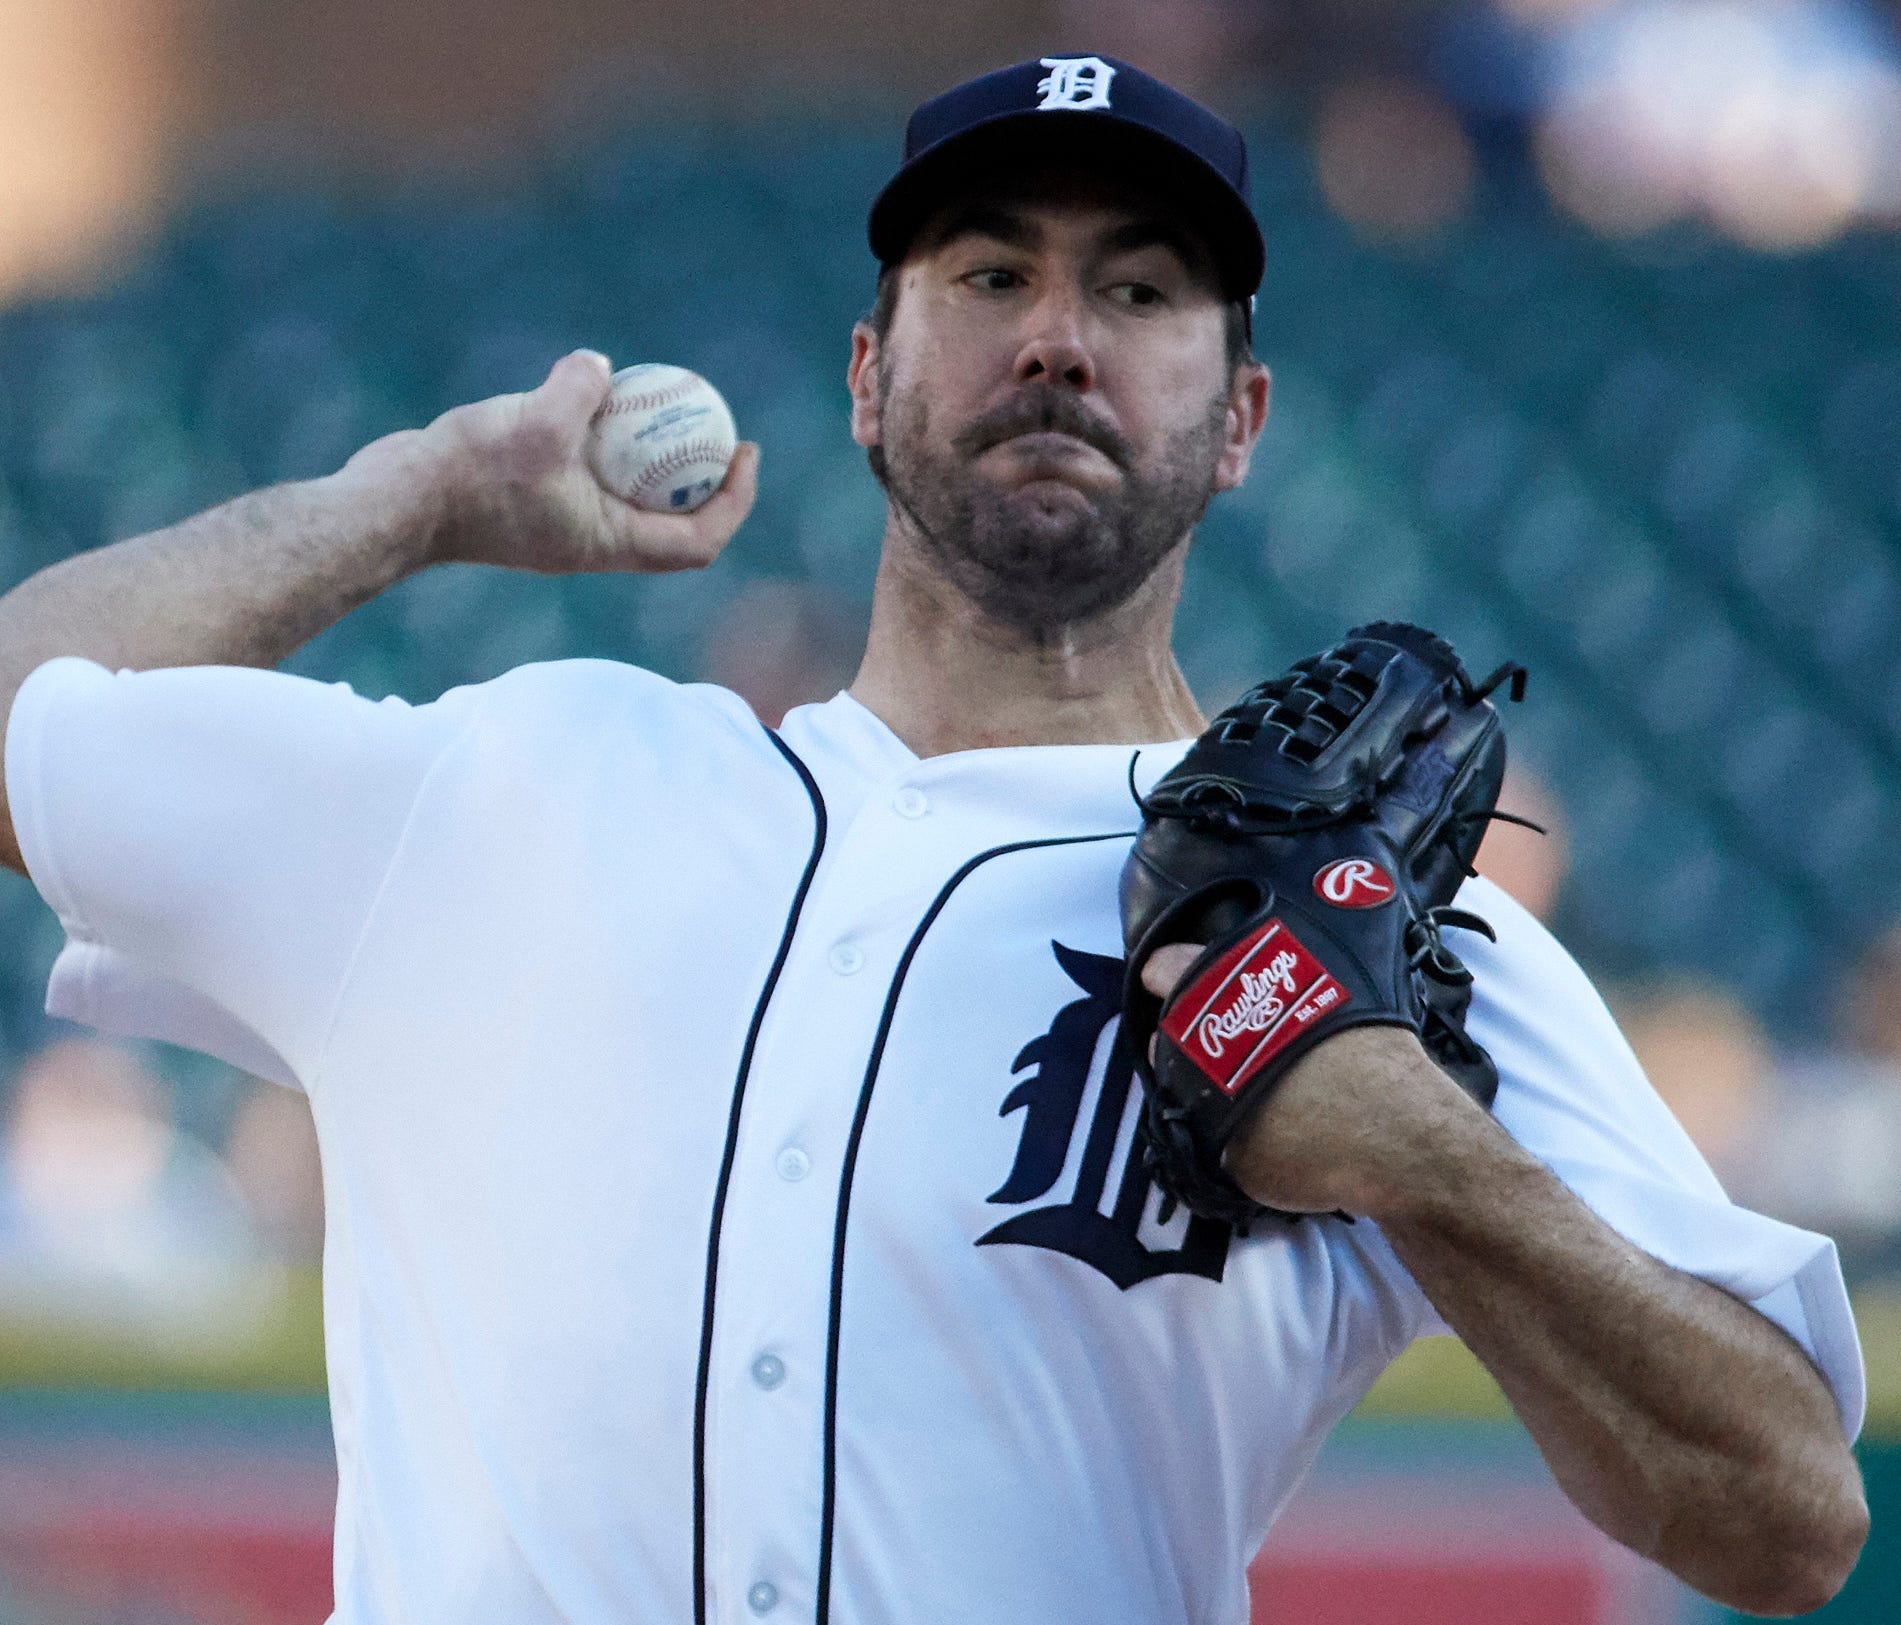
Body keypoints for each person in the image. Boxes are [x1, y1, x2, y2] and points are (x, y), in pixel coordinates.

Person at [0, 54, 1867, 1625]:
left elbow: (1786, 1514)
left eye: (1139, 293)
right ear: (865, 368)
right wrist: (398, 502)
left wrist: (1434, 1171)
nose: (1057, 338)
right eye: (988, 275)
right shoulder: (509, 786)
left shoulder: (1373, 943)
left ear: (1239, 422)